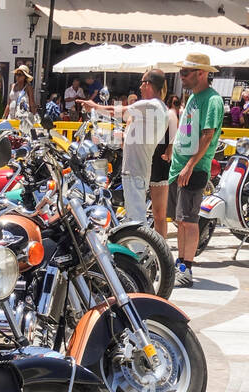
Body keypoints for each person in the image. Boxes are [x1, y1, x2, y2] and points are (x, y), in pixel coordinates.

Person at [168, 53, 225, 288]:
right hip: (180, 167)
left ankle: (186, 267)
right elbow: (188, 130)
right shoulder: (192, 98)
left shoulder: (212, 100)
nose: (181, 77)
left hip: (194, 168)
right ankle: (180, 262)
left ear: (201, 73)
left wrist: (190, 165)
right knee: (180, 221)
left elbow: (208, 135)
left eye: (185, 73)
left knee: (189, 221)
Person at [82, 70, 166, 227]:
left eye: (142, 82)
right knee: (134, 212)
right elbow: (135, 138)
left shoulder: (150, 105)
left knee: (136, 217)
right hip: (139, 168)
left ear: (148, 84)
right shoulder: (160, 108)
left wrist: (93, 106)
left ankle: (139, 249)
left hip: (135, 169)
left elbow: (117, 111)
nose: (140, 87)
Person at [149, 92, 179, 237]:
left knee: (159, 213)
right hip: (149, 161)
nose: (175, 107)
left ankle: (160, 245)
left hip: (161, 163)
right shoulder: (159, 115)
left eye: (177, 103)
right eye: (173, 103)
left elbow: (183, 135)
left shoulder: (174, 117)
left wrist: (171, 148)